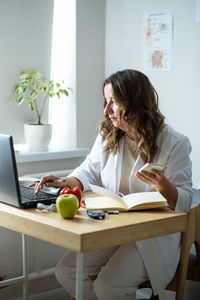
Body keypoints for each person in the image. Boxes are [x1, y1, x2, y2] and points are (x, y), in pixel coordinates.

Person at [31, 69, 192, 300]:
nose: (106, 110)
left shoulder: (175, 143)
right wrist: (63, 181)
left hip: (151, 238)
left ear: (135, 103)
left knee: (108, 287)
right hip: (112, 226)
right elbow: (89, 170)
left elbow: (185, 201)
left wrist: (163, 184)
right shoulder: (109, 134)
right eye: (106, 102)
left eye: (113, 103)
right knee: (66, 271)